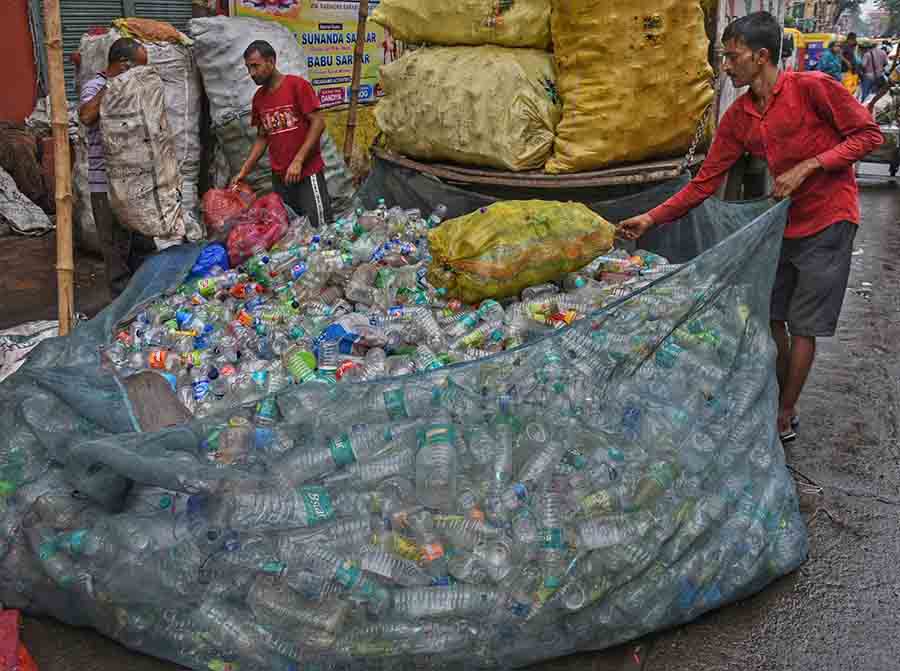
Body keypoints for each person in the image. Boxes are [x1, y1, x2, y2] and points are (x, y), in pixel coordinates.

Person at [618, 12, 883, 442]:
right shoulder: (740, 116)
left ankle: (786, 410)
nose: (724, 66)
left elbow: (868, 136)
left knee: (804, 326)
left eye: (731, 56)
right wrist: (651, 217)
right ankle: (776, 394)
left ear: (760, 57)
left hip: (830, 220)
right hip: (780, 225)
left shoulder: (812, 89)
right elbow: (704, 181)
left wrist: (810, 166)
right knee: (770, 316)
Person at [78, 37, 157, 299]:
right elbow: (87, 116)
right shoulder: (96, 86)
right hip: (107, 187)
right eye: (139, 68)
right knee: (116, 257)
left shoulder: (134, 87)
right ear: (124, 66)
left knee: (145, 250)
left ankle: (148, 308)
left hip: (137, 184)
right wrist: (114, 85)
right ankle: (123, 320)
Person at [232, 40, 332, 228]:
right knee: (292, 230)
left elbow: (318, 123)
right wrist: (244, 170)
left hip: (306, 172)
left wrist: (298, 160)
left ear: (271, 62)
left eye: (255, 66)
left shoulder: (297, 86)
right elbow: (263, 137)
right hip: (280, 177)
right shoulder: (259, 98)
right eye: (248, 68)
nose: (251, 73)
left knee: (321, 228)